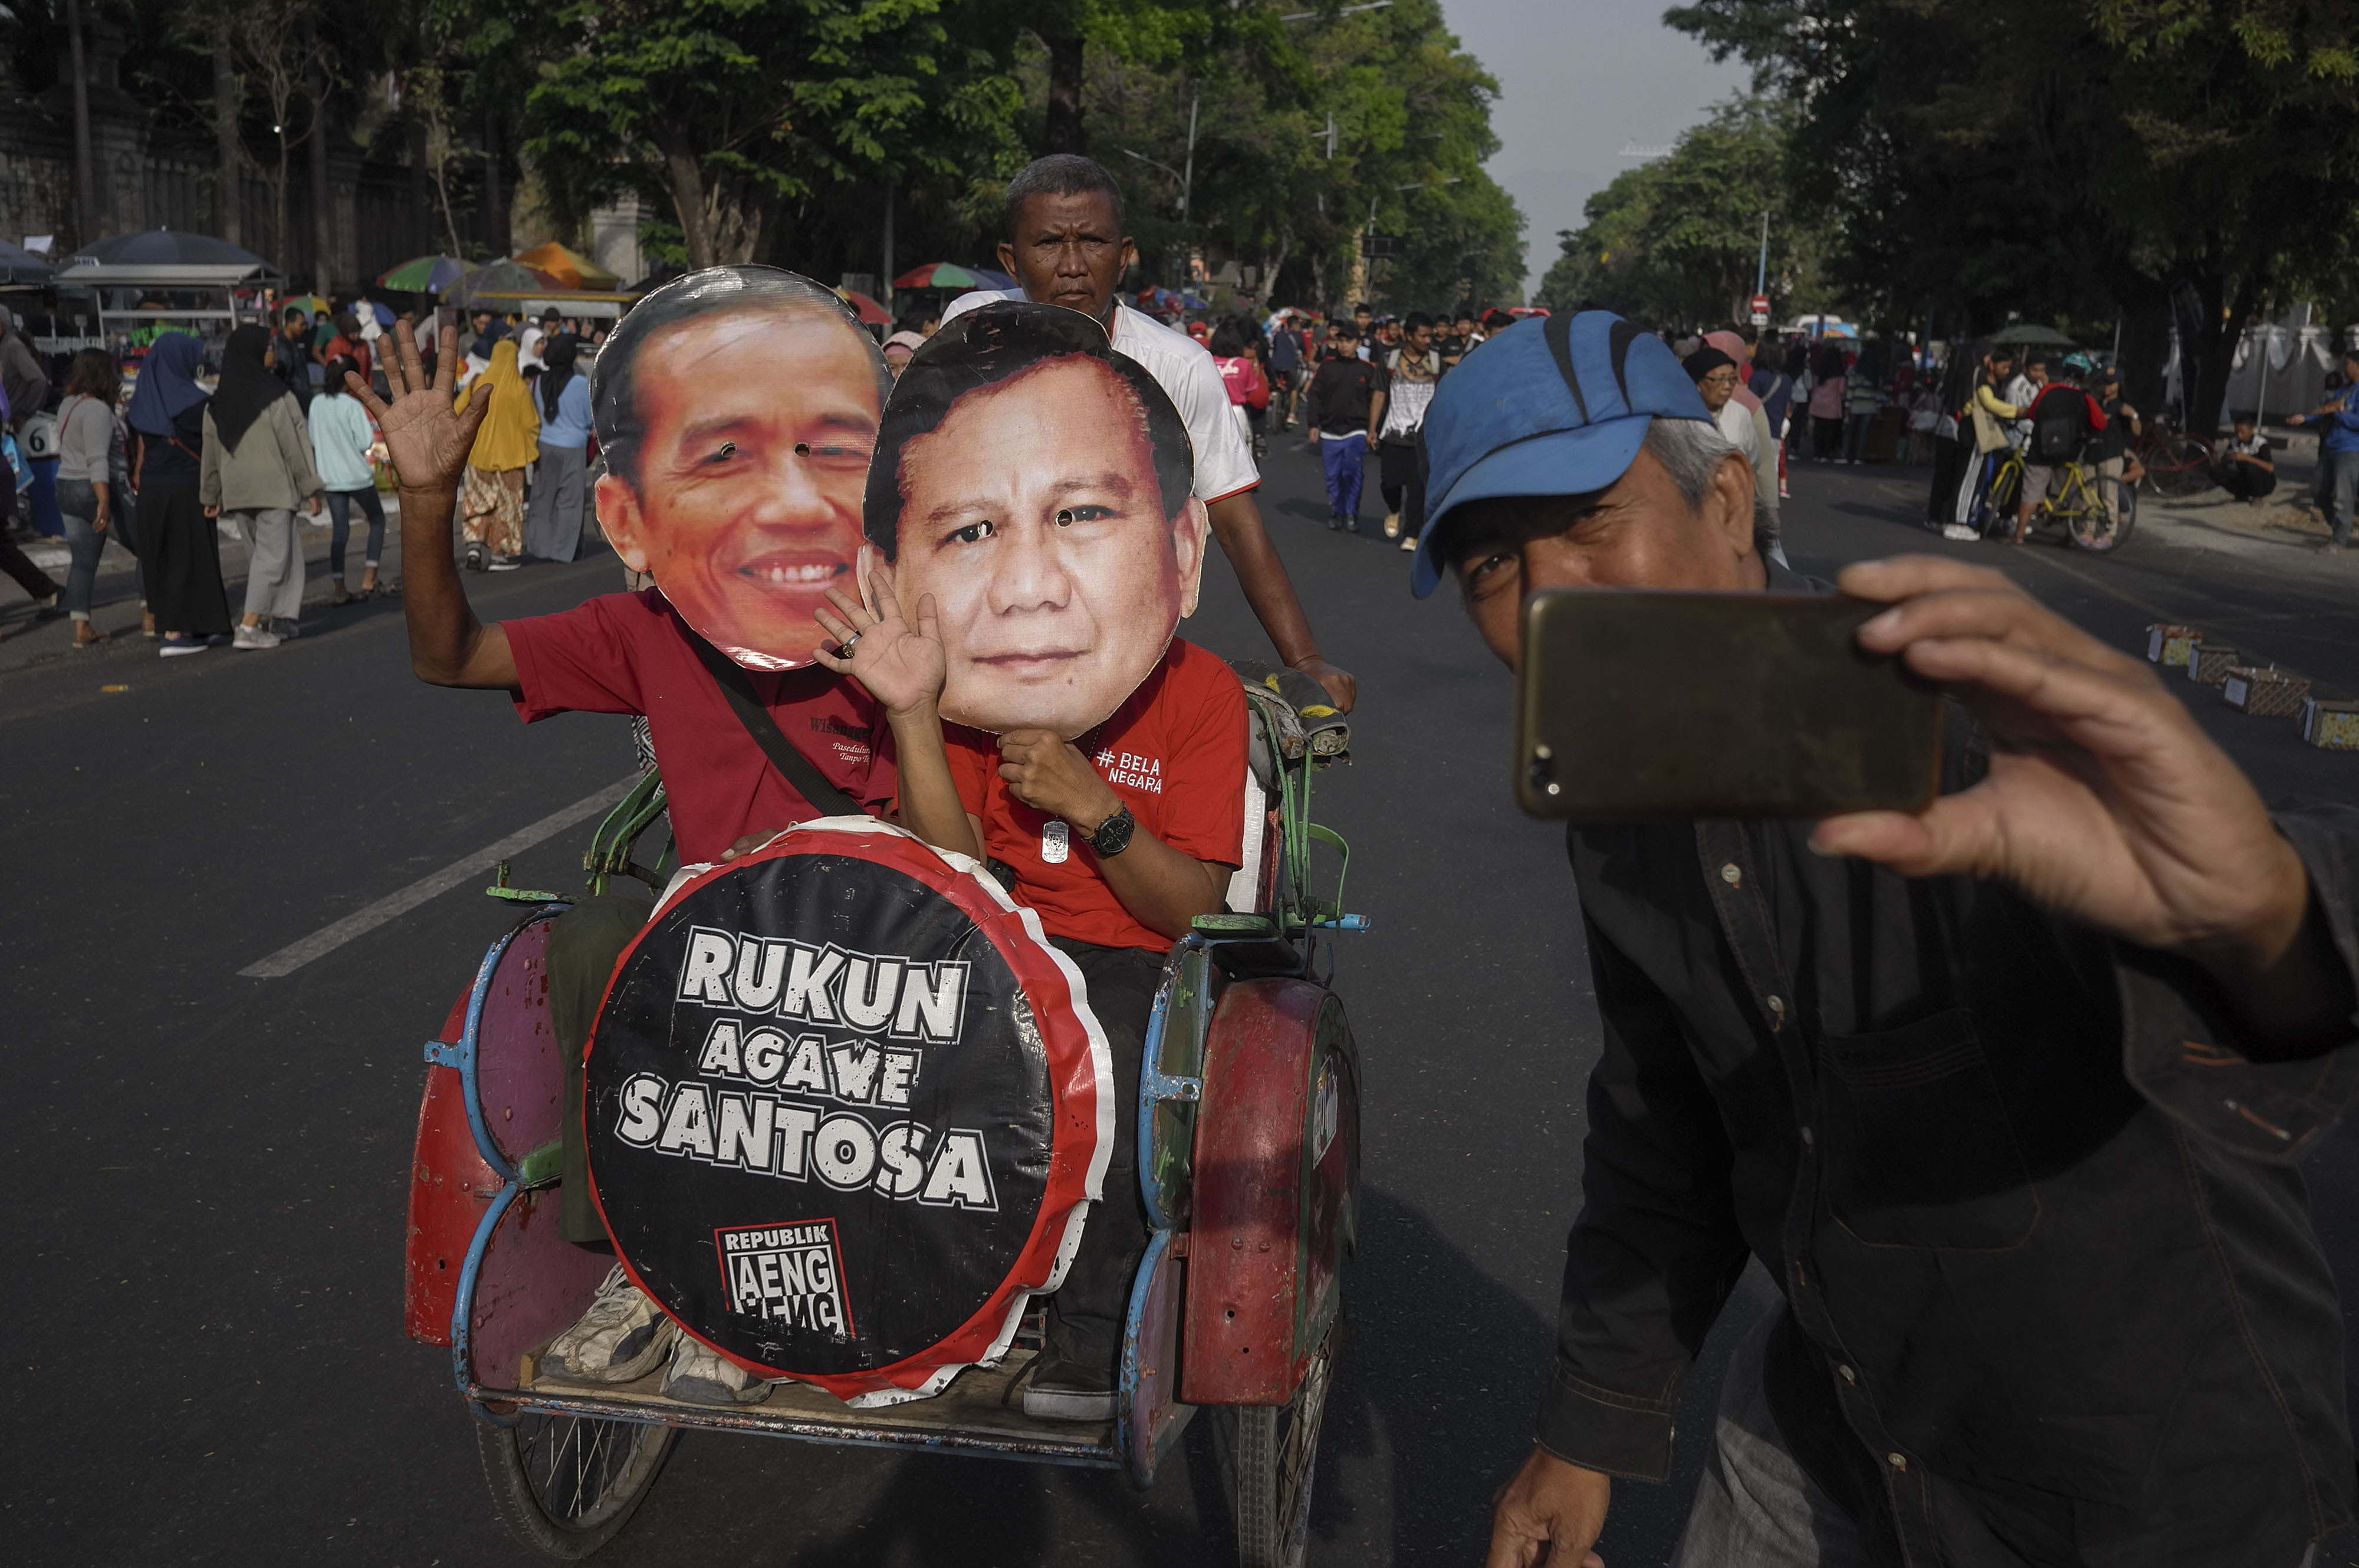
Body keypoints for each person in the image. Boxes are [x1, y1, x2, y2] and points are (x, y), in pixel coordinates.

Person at [1394, 310, 2359, 1568]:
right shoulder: (1615, 811)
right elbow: (1663, 1122)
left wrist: (2261, 913)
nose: (1546, 598)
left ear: (1727, 503)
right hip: (1829, 1420)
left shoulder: (1957, 717)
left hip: (2134, 1480)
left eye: (1585, 520)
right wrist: (1591, 1424)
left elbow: (2266, 949)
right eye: (1488, 567)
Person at [350, 266, 903, 1406]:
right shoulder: (646, 628)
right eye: (723, 457)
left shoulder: (919, 615)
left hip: (881, 937)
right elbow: (449, 655)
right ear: (628, 521)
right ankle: (639, 1259)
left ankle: (770, 1281)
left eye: (836, 452)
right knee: (600, 926)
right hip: (706, 928)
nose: (792, 501)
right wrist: (426, 501)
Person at [821, 305, 1244, 1421]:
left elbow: (1192, 907)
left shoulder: (1199, 697)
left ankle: (1094, 1322)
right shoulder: (967, 695)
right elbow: (952, 876)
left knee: (1102, 1051)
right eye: (970, 534)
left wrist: (1097, 807)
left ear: (1182, 551)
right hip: (996, 938)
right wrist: (913, 714)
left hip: (1126, 952)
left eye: (1083, 515)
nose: (1028, 588)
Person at [939, 155, 1355, 709]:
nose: (1072, 265)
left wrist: (1304, 661)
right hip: (985, 618)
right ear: (1011, 261)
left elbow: (1232, 518)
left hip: (1117, 635)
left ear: (1125, 254)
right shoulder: (967, 331)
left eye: (1092, 241)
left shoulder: (1178, 365)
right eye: (1048, 244)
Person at [201, 323, 323, 650]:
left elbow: (210, 454)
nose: (272, 352)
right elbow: (295, 445)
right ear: (255, 352)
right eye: (267, 347)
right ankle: (249, 626)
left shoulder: (216, 403)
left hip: (238, 492)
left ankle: (279, 618)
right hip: (274, 488)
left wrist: (210, 495)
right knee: (274, 558)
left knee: (266, 556)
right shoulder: (277, 396)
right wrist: (311, 487)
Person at [125, 332, 228, 655]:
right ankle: (174, 634)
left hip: (152, 492)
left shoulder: (142, 402)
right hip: (185, 489)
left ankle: (195, 627)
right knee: (190, 559)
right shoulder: (194, 403)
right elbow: (214, 447)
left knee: (166, 559)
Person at [52, 349, 136, 647]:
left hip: (65, 487)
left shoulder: (67, 404)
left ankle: (81, 629)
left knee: (83, 562)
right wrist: (103, 501)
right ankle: (152, 615)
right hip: (94, 488)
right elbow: (97, 459)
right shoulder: (98, 411)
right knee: (149, 546)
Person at [454, 337, 537, 572]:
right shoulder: (519, 389)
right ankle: (500, 555)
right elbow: (532, 424)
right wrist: (529, 451)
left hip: (479, 457)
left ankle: (474, 548)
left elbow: (458, 411)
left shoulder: (477, 383)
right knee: (507, 506)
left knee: (477, 502)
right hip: (511, 459)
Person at [309, 353, 386, 603]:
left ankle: (339, 588)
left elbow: (312, 439)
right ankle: (369, 578)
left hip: (330, 479)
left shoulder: (316, 403)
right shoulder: (353, 406)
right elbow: (365, 441)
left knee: (340, 532)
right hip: (357, 477)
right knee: (377, 520)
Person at [2010, 357, 2106, 545]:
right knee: (2072, 495)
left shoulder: (2047, 390)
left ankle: (2018, 535)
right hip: (2069, 453)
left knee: (2031, 493)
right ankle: (2072, 537)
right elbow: (2101, 423)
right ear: (2083, 376)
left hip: (2041, 451)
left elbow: (2032, 413)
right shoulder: (2085, 399)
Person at [1302, 323, 1385, 531]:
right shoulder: (1326, 367)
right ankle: (1337, 511)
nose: (1344, 346)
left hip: (1357, 430)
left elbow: (1375, 402)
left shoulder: (1367, 370)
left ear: (1358, 343)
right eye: (1341, 341)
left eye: (1349, 341)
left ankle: (1351, 513)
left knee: (1352, 472)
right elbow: (1315, 397)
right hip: (1330, 431)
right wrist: (1313, 424)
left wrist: (1373, 430)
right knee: (1333, 476)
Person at [522, 334, 591, 563]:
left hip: (545, 445)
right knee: (569, 501)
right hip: (573, 447)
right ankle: (564, 551)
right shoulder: (580, 383)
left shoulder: (537, 382)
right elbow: (590, 418)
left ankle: (540, 547)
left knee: (543, 498)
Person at [2283, 347, 2359, 552]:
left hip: (2351, 450)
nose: (2344, 368)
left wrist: (2341, 414)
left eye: (2347, 364)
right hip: (2330, 447)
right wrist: (2305, 418)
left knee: (2342, 495)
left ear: (2356, 365)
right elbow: (2327, 412)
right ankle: (2341, 528)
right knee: (2318, 488)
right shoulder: (2344, 390)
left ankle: (2339, 541)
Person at [1377, 311, 1441, 548]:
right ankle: (1394, 509)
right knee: (1389, 483)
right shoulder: (1390, 360)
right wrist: (1373, 428)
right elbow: (1379, 393)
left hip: (1424, 438)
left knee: (1418, 488)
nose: (1427, 341)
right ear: (1409, 336)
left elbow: (1444, 394)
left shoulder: (1435, 361)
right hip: (1393, 433)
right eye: (1423, 336)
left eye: (1430, 336)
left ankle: (1412, 533)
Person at [1948, 344, 2022, 540]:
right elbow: (1990, 404)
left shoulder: (1986, 378)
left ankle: (1962, 519)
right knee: (1969, 479)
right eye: (2004, 367)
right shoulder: (1981, 380)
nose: (2006, 372)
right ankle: (1958, 523)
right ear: (1991, 363)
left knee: (1973, 478)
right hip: (1974, 432)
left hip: (1974, 432)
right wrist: (2018, 411)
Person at [2092, 364, 2141, 532]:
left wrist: (2133, 415)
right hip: (2093, 454)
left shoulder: (2121, 406)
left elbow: (2137, 431)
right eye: (2105, 383)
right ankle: (2086, 530)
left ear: (2119, 385)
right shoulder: (2096, 403)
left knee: (2108, 496)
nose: (2108, 387)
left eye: (2112, 384)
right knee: (2090, 496)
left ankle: (2109, 532)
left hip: (2111, 454)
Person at [2213, 413, 2276, 504]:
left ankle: (2257, 496)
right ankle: (2241, 494)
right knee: (2215, 471)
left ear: (2251, 430)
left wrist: (2246, 458)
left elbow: (2270, 468)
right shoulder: (2234, 442)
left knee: (2251, 468)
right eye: (2237, 432)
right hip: (2243, 479)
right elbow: (2223, 464)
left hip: (2263, 482)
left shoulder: (2261, 443)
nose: (2239, 435)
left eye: (2243, 432)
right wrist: (2228, 457)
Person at [1806, 342, 1845, 459]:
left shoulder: (1820, 370)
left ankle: (1817, 453)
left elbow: (1813, 386)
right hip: (1832, 406)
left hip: (1818, 403)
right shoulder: (1839, 373)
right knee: (1829, 432)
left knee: (1818, 430)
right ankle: (1825, 453)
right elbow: (1842, 390)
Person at [1266, 310, 1303, 430]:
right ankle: (1291, 414)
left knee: (1275, 381)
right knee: (1294, 389)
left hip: (1275, 366)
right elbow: (1304, 351)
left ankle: (1273, 395)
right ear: (1295, 325)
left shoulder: (1279, 334)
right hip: (1291, 366)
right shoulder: (1298, 336)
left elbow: (1275, 347)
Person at [275, 307, 316, 410]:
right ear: (289, 323)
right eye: (301, 324)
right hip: (295, 400)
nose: (304, 328)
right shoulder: (282, 346)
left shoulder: (295, 342)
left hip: (303, 397)